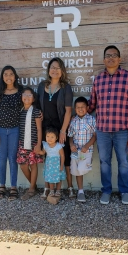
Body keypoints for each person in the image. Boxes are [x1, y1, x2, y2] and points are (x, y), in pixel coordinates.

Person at [88, 45, 128, 205]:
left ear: (119, 59)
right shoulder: (98, 80)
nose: (111, 58)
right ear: (104, 60)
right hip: (103, 130)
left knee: (123, 162)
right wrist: (77, 112)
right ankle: (106, 191)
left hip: (122, 130)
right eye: (108, 55)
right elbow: (92, 104)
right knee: (104, 162)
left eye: (114, 55)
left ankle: (124, 191)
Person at [37, 57, 75, 199]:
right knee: (47, 157)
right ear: (48, 70)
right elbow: (37, 105)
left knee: (64, 159)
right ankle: (48, 188)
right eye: (52, 67)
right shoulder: (42, 86)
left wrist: (63, 130)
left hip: (60, 128)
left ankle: (70, 187)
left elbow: (68, 111)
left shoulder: (66, 87)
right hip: (46, 129)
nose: (54, 70)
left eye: (58, 68)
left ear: (62, 71)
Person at [0, 65, 23, 200]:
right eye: (5, 74)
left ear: (14, 76)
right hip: (0, 130)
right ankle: (2, 185)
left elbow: (29, 105)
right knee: (2, 158)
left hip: (15, 129)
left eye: (11, 74)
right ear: (2, 77)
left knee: (12, 158)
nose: (8, 77)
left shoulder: (21, 91)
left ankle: (13, 186)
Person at [68, 97, 96, 202]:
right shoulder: (73, 120)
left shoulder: (91, 119)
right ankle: (80, 191)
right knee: (76, 171)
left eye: (83, 107)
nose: (80, 109)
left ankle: (81, 190)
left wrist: (87, 145)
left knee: (81, 169)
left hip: (86, 151)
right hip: (75, 151)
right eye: (78, 107)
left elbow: (95, 135)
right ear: (75, 108)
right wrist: (71, 145)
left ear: (87, 108)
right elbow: (70, 135)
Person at [16, 87, 43, 200]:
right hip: (22, 143)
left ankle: (31, 189)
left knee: (33, 164)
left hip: (33, 143)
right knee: (23, 165)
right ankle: (34, 185)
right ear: (21, 97)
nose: (27, 97)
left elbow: (39, 129)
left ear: (33, 98)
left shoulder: (36, 111)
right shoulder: (20, 111)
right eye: (25, 95)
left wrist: (38, 144)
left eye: (30, 95)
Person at [38, 127, 66, 197]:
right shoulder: (45, 145)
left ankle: (58, 190)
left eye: (52, 137)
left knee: (58, 177)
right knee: (50, 178)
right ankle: (51, 190)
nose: (49, 139)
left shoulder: (59, 146)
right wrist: (38, 151)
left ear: (56, 138)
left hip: (57, 165)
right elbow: (43, 153)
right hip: (49, 165)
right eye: (47, 136)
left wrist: (62, 165)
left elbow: (62, 156)